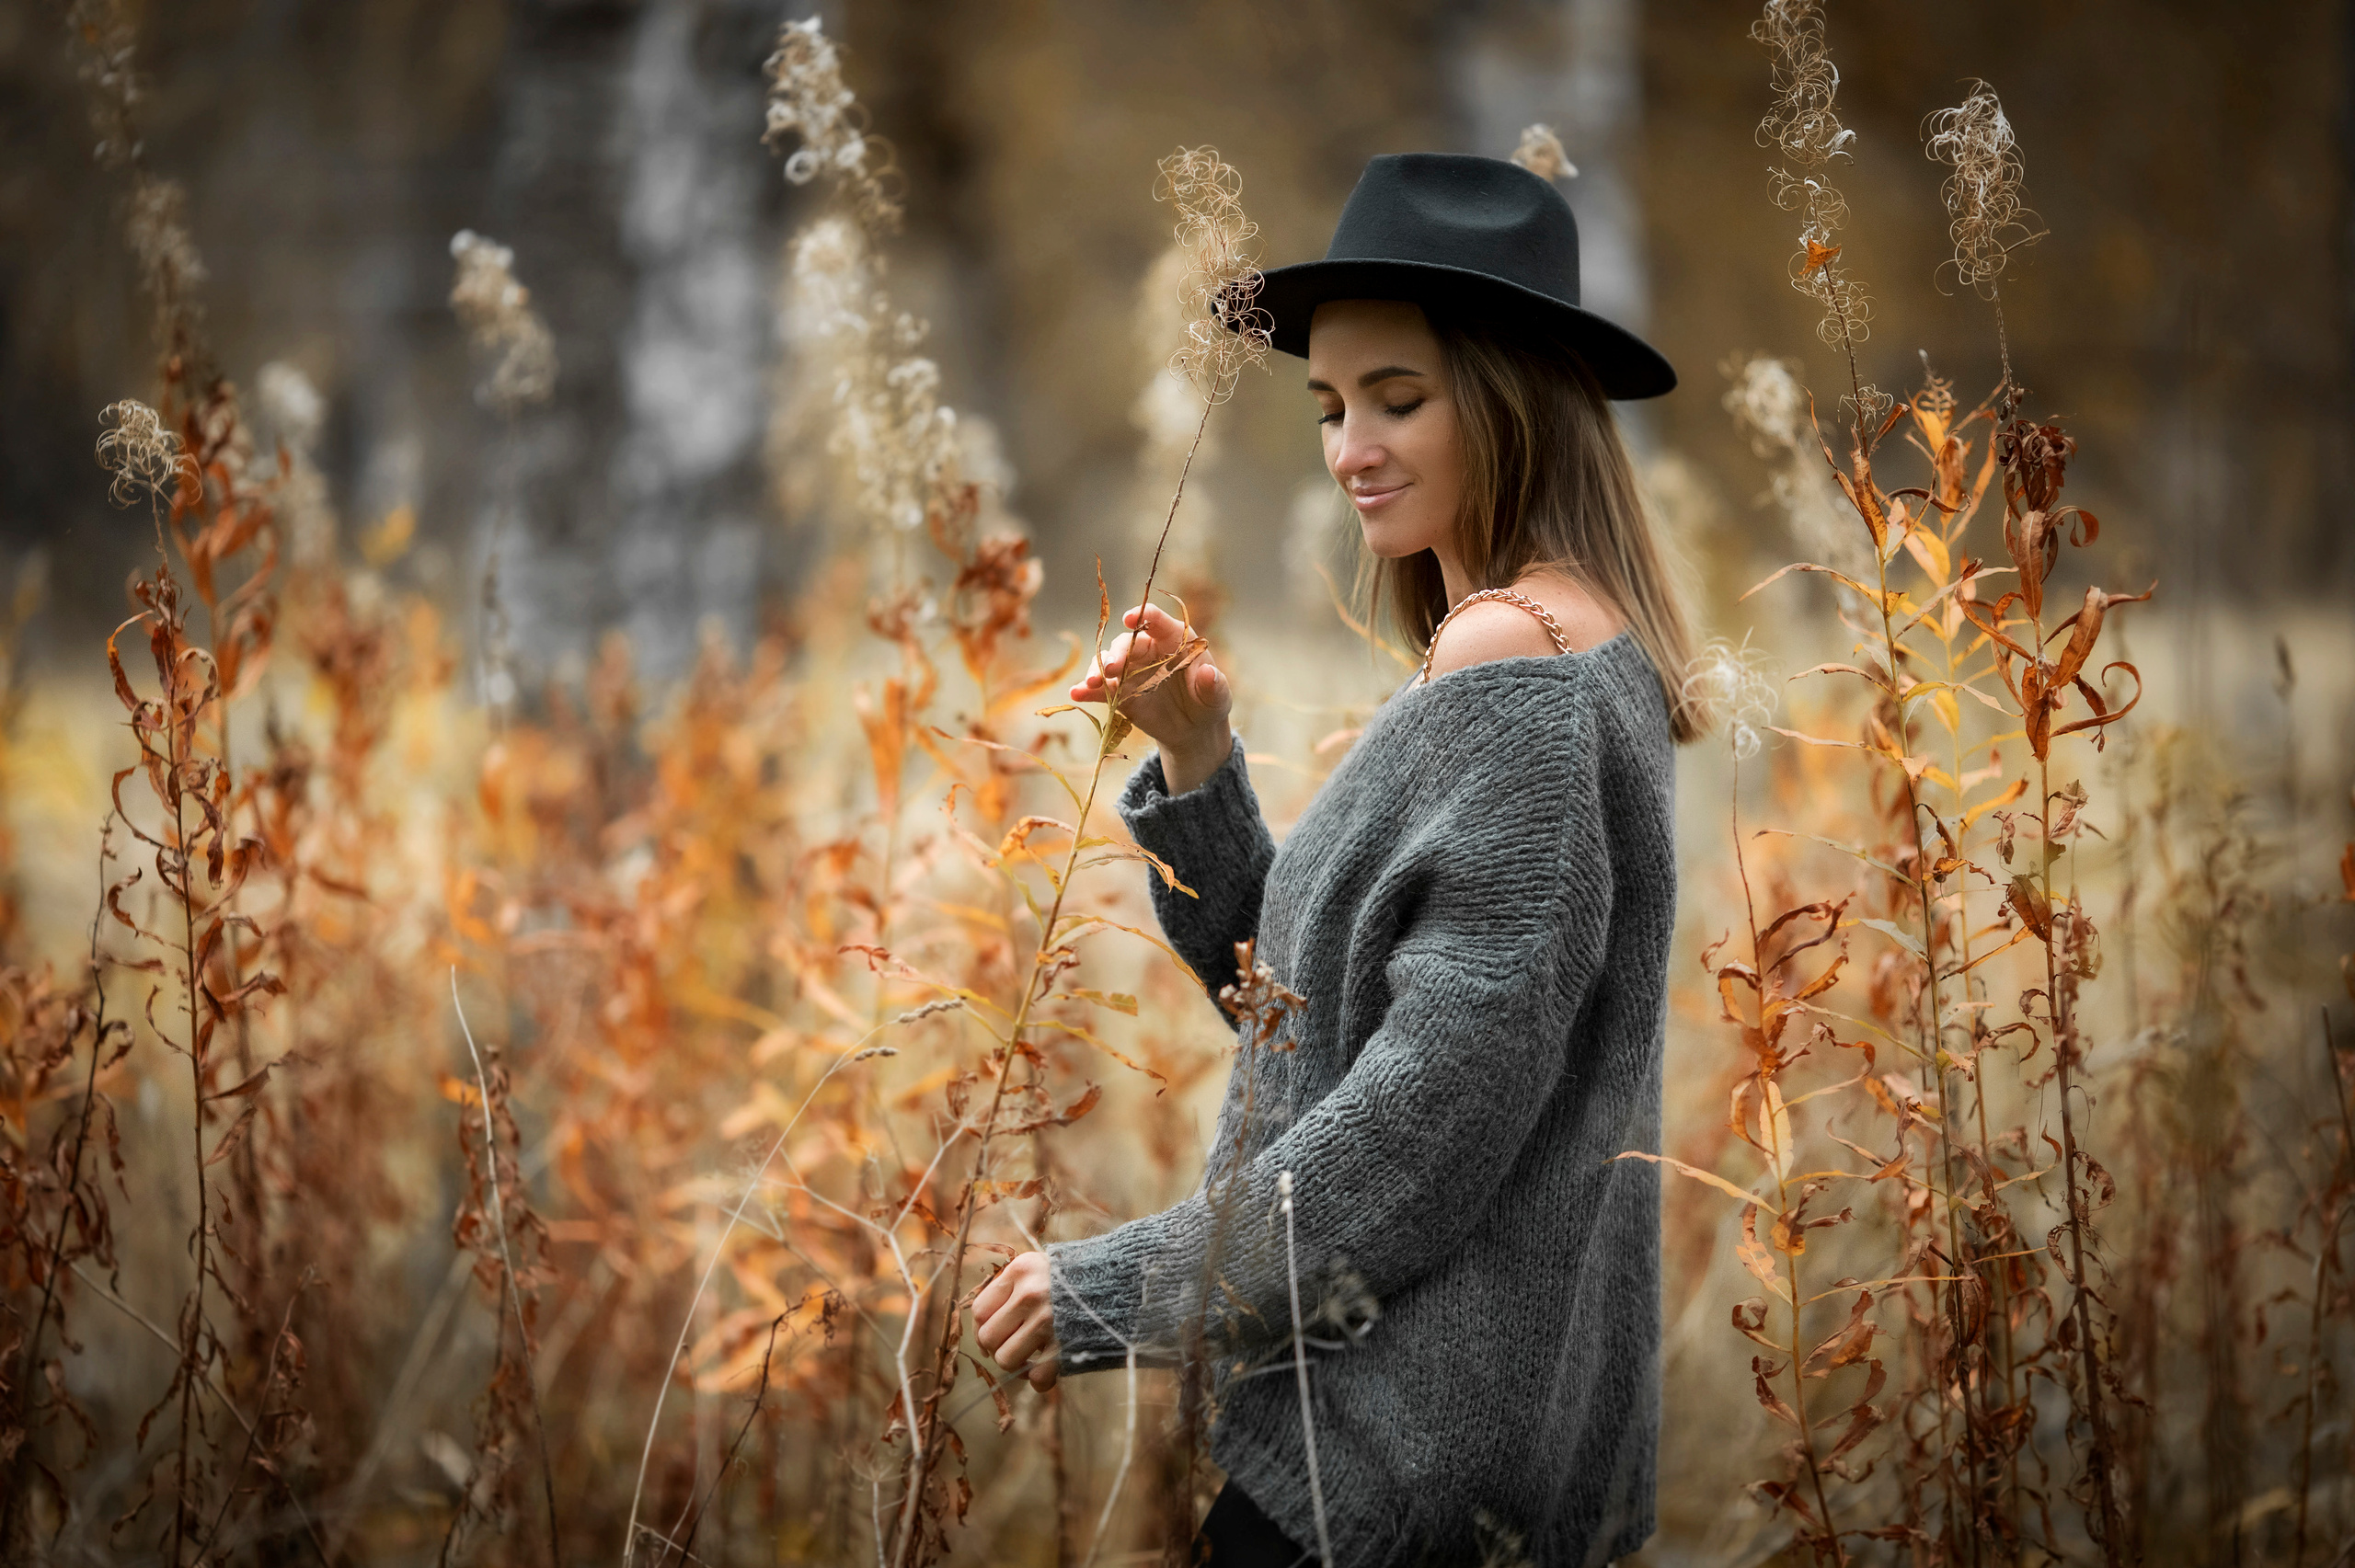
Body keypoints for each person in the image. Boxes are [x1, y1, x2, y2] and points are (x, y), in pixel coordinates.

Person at [972, 151, 1700, 1567]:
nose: (1350, 445)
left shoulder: (1513, 666)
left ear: (1513, 393)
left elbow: (1414, 1138)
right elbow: (1326, 1015)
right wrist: (1200, 763)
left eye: (1399, 397)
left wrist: (1116, 1288)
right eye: (1329, 405)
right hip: (1471, 1456)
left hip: (1398, 1465)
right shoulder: (1587, 644)